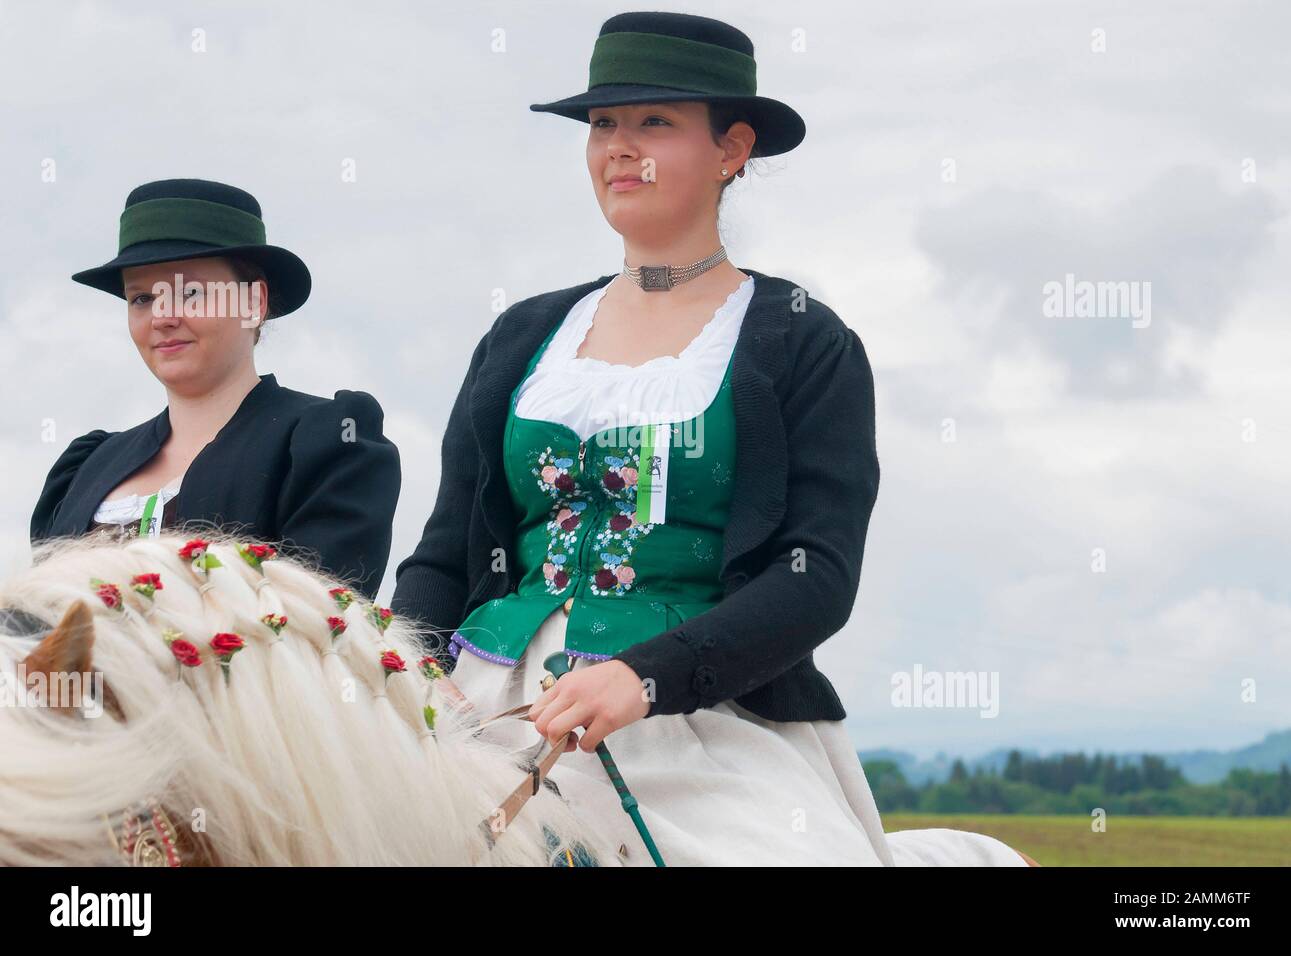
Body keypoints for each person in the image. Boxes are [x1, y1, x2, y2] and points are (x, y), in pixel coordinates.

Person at [392, 12, 1032, 865]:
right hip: (487, 702)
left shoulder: (804, 340)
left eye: (654, 122)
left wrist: (642, 676)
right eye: (603, 125)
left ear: (732, 148)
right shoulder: (522, 335)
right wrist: (394, 675)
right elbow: (442, 556)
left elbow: (817, 577)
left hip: (703, 718)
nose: (619, 147)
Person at [30, 178, 400, 600]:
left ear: (253, 304)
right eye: (141, 299)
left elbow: (315, 629)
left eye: (190, 292)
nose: (162, 317)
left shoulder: (327, 444)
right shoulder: (86, 467)